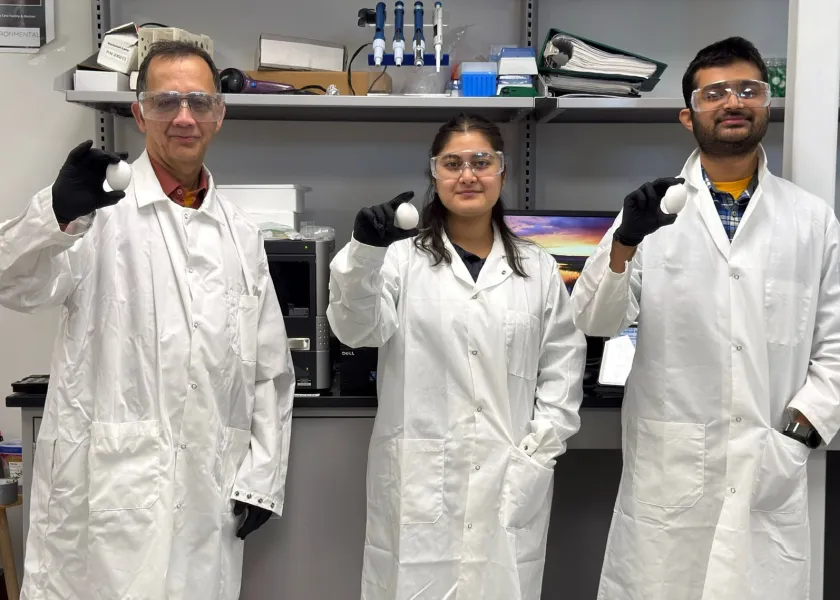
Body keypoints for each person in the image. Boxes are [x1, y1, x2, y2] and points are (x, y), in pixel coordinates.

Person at [0, 41, 295, 599]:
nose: (184, 117)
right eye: (165, 102)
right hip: (105, 487)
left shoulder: (240, 233)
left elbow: (271, 371)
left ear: (219, 114)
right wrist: (55, 215)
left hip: (209, 493)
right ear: (139, 114)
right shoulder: (96, 214)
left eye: (199, 102)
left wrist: (262, 478)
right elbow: (13, 283)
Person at [571, 36, 840, 600]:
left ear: (767, 104)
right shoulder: (647, 212)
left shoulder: (811, 219)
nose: (733, 102)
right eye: (715, 92)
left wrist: (797, 433)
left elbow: (836, 343)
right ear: (688, 114)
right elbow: (595, 320)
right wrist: (623, 242)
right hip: (670, 471)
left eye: (748, 90)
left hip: (771, 464)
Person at [327, 112, 586, 599]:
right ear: (434, 175)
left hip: (508, 473)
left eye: (481, 161)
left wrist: (540, 447)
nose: (468, 175)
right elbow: (357, 329)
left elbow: (562, 365)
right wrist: (364, 251)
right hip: (419, 477)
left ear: (502, 172)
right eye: (452, 163)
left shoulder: (538, 267)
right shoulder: (400, 259)